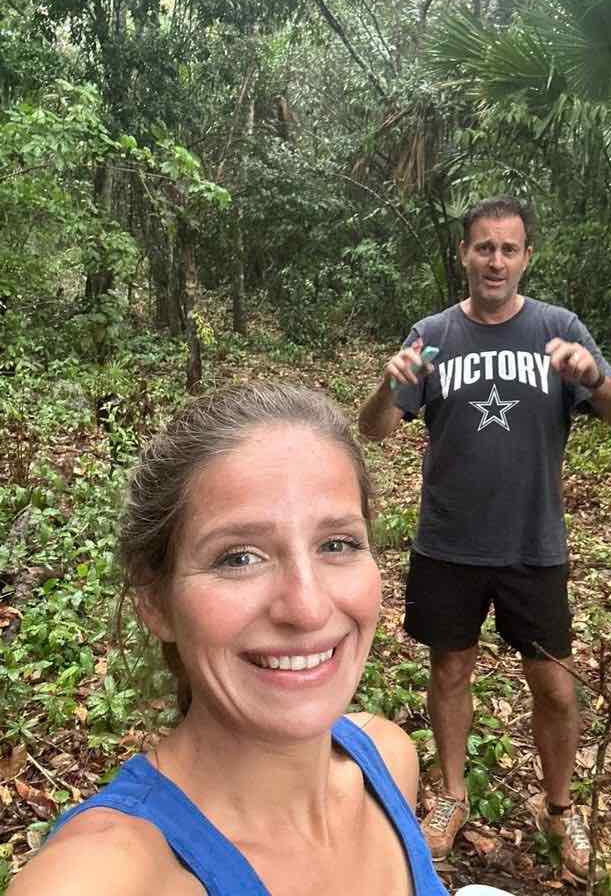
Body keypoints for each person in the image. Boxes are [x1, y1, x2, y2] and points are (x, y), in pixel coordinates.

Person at [9, 384, 450, 896]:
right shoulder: (104, 878)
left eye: (337, 544)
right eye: (238, 557)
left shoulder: (389, 759)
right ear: (155, 601)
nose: (307, 609)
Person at [358, 197, 611, 879]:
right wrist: (384, 384)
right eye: (483, 247)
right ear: (463, 254)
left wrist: (594, 378)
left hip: (531, 543)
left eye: (508, 248)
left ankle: (559, 806)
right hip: (448, 541)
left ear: (527, 257)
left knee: (553, 685)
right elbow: (376, 429)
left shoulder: (558, 328)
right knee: (450, 668)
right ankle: (452, 796)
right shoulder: (431, 335)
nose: (495, 260)